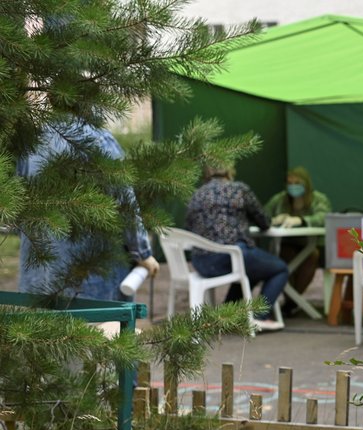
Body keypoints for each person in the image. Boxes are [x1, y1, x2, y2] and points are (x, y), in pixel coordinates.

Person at [18, 119, 160, 302]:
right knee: (99, 329)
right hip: (89, 281)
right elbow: (125, 206)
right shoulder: (97, 139)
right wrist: (143, 254)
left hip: (37, 278)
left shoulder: (33, 140)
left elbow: (20, 201)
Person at [184, 165, 288, 332]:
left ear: (206, 173)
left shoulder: (196, 194)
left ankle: (225, 314)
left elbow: (188, 229)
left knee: (250, 269)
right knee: (280, 268)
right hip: (231, 256)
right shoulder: (239, 189)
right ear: (229, 171)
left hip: (201, 261)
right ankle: (259, 317)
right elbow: (264, 221)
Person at [263, 167, 331, 317]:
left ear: (306, 184)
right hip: (285, 242)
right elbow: (262, 216)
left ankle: (292, 302)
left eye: (297, 183)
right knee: (283, 255)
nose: (293, 186)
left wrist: (300, 220)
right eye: (290, 183)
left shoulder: (319, 199)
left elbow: (323, 218)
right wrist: (275, 219)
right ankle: (293, 301)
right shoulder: (279, 199)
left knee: (312, 256)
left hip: (311, 244)